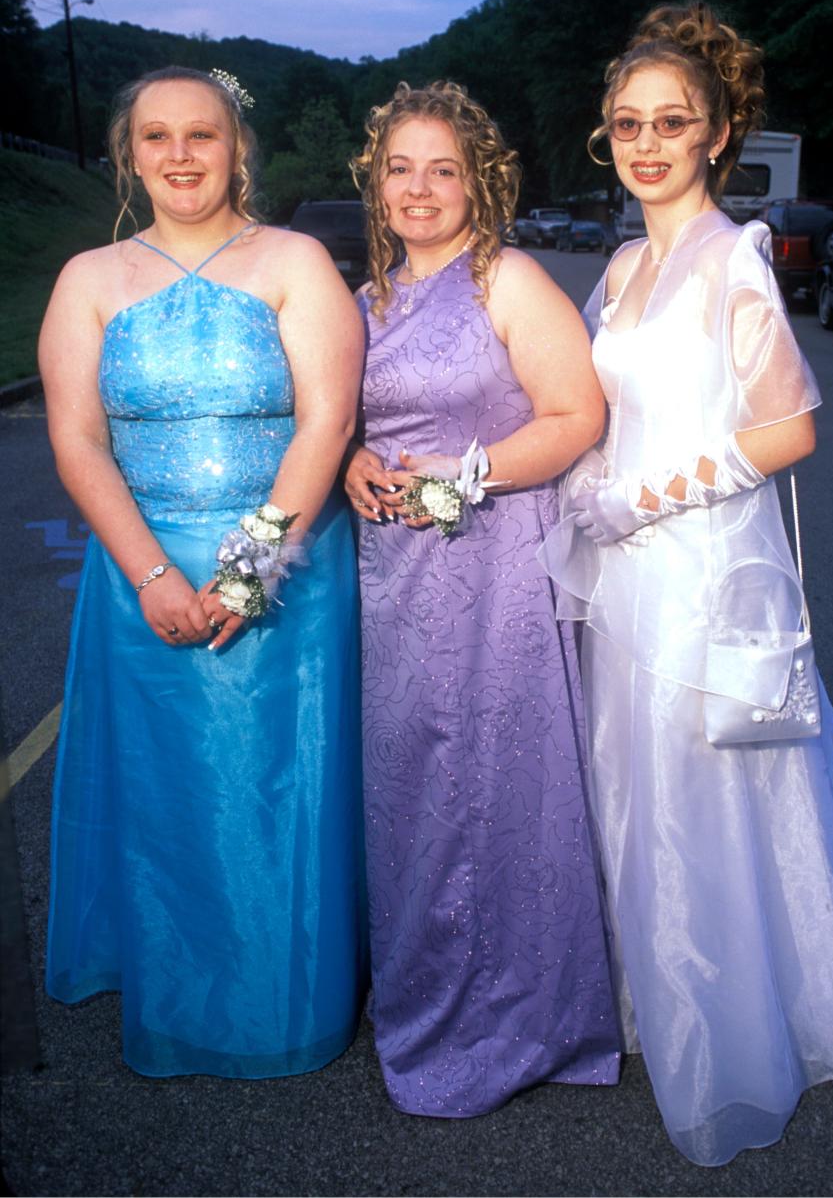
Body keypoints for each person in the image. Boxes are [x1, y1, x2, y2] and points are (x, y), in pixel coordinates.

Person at [541, 3, 833, 1165]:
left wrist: (641, 496)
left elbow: (790, 429)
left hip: (703, 563)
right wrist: (581, 476)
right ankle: (644, 985)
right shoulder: (622, 262)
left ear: (721, 134)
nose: (648, 142)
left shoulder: (736, 255)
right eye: (628, 122)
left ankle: (733, 1013)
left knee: (709, 783)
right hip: (619, 567)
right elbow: (594, 400)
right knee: (631, 776)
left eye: (674, 121)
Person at [40, 65, 368, 1078]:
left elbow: (329, 418)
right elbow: (77, 439)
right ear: (128, 154)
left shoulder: (293, 260)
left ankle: (285, 991)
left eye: (203, 136)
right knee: (165, 788)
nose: (181, 156)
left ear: (239, 148)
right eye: (157, 137)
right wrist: (149, 575)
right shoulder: (88, 280)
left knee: (277, 783)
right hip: (142, 572)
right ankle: (176, 984)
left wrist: (249, 566)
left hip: (287, 566)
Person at [344, 80, 620, 1116]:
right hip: (395, 579)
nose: (420, 188)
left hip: (496, 563)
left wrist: (458, 479)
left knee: (495, 780)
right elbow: (338, 419)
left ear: (480, 183)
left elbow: (574, 412)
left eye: (443, 169)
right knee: (413, 786)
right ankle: (425, 987)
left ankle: (516, 1013)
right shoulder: (364, 299)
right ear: (374, 180)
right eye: (401, 167)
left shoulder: (507, 278)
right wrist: (350, 465)